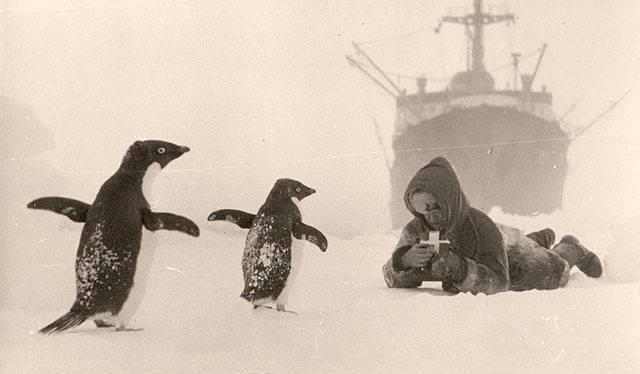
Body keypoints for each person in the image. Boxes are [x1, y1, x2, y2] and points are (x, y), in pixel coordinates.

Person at [382, 157, 603, 295]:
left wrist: (459, 269)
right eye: (422, 210)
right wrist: (404, 261)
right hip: (500, 242)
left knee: (555, 270)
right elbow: (389, 275)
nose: (430, 216)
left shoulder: (479, 226)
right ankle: (538, 239)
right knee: (517, 241)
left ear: (448, 199)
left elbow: (499, 282)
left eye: (435, 206)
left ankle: (569, 247)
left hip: (510, 256)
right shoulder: (416, 230)